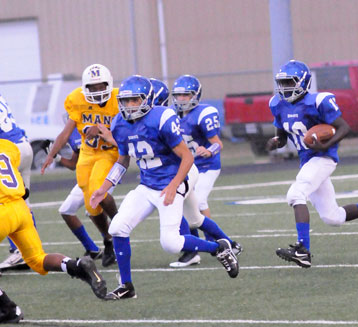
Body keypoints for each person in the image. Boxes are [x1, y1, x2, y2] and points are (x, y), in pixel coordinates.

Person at [90, 75, 239, 301]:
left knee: (170, 243)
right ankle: (126, 286)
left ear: (147, 100)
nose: (129, 106)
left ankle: (218, 249)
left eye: (135, 100)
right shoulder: (119, 123)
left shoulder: (160, 118)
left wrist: (173, 185)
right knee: (118, 228)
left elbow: (187, 157)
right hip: (148, 184)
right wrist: (104, 188)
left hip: (175, 177)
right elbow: (122, 160)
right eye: (126, 101)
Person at [266, 60, 358, 268]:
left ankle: (302, 250)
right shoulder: (277, 104)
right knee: (333, 217)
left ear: (303, 82)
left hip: (324, 158)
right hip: (307, 161)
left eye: (290, 83)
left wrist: (326, 145)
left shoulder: (318, 101)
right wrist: (276, 142)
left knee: (295, 194)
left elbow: (343, 127)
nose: (285, 88)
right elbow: (283, 136)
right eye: (282, 83)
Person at [0, 139, 107, 301]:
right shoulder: (6, 146)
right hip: (21, 208)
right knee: (37, 259)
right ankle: (76, 265)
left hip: (2, 212)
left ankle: (7, 307)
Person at [41, 64, 118, 267]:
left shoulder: (119, 99)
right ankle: (108, 240)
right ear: (85, 88)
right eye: (92, 87)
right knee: (91, 206)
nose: (97, 91)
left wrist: (102, 128)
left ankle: (120, 225)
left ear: (109, 84)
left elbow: (128, 129)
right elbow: (66, 132)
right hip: (87, 153)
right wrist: (52, 154)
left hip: (108, 152)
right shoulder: (77, 99)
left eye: (101, 86)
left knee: (96, 190)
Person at [169, 74, 241, 268]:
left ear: (196, 96)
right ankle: (224, 244)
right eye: (178, 95)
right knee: (194, 205)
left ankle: (209, 246)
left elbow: (218, 143)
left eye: (186, 95)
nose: (181, 99)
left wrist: (209, 151)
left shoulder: (204, 113)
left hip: (206, 166)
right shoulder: (171, 115)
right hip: (188, 167)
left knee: (196, 202)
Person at [45, 119, 109, 260]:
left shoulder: (101, 121)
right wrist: (57, 157)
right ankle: (92, 249)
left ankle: (112, 246)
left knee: (92, 209)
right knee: (66, 210)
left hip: (105, 174)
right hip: (86, 177)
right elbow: (74, 164)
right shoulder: (74, 131)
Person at [0, 93, 32, 272]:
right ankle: (27, 251)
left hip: (7, 152)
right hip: (23, 145)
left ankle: (19, 251)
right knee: (23, 203)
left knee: (4, 204)